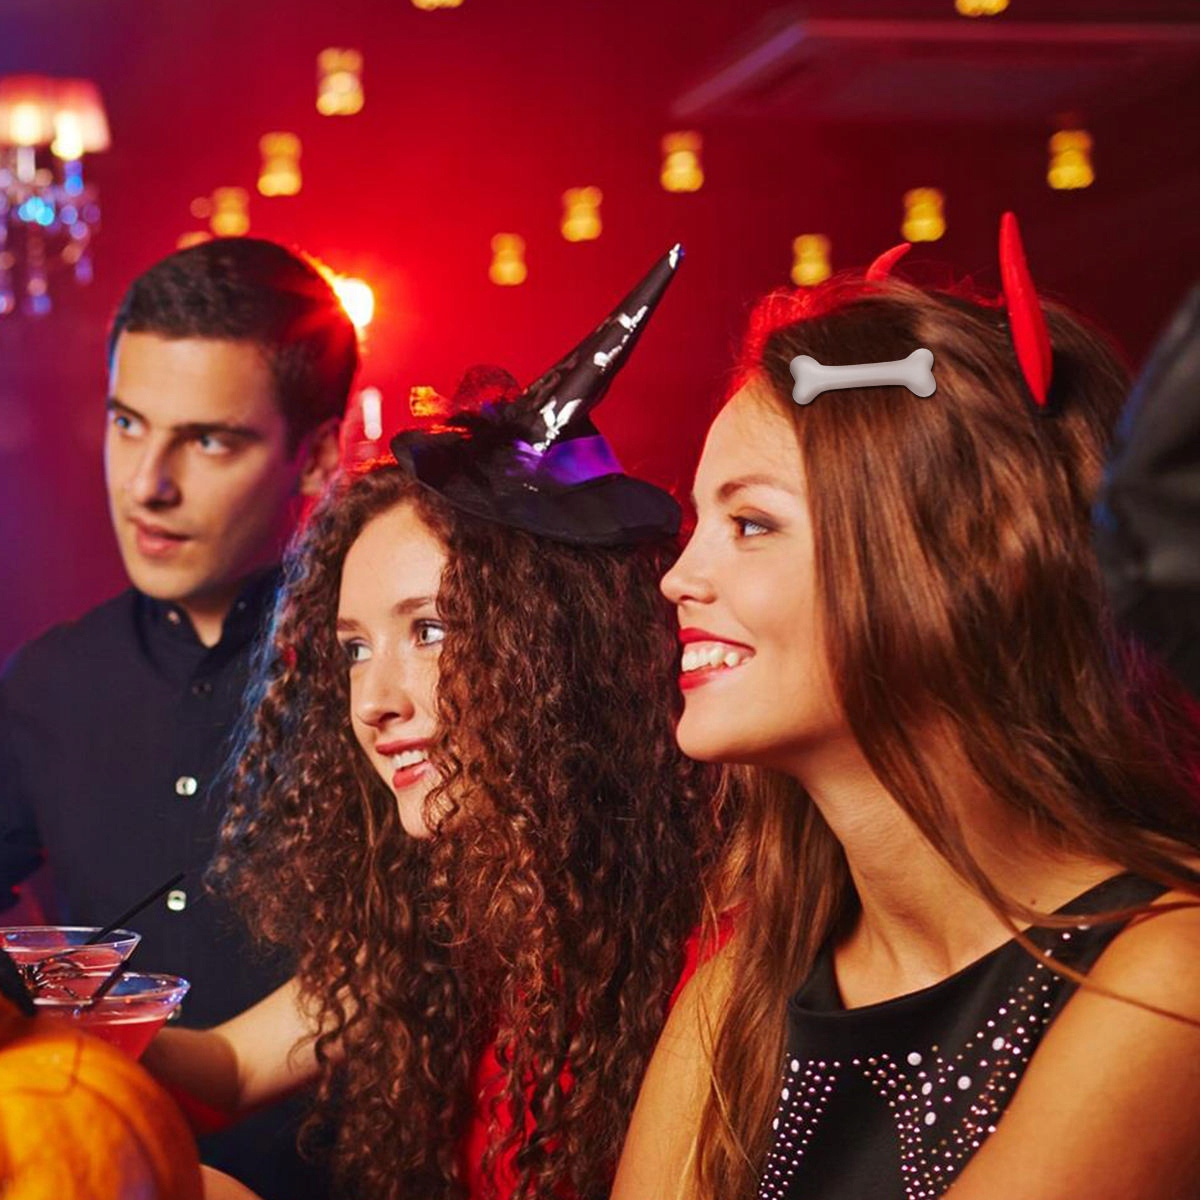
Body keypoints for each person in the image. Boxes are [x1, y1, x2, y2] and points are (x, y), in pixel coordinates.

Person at [612, 216, 1200, 1200]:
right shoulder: (740, 996)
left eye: (750, 524)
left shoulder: (1168, 975)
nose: (679, 578)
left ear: (963, 559)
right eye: (697, 524)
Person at [143, 247, 725, 1200]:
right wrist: (46, 1017)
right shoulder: (446, 912)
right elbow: (231, 1070)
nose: (373, 701)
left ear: (557, 650)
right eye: (353, 648)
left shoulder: (710, 941)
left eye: (430, 630)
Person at [0, 237, 356, 1198]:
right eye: (127, 423)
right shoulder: (46, 681)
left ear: (318, 454)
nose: (145, 483)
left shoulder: (384, 679)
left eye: (209, 440)